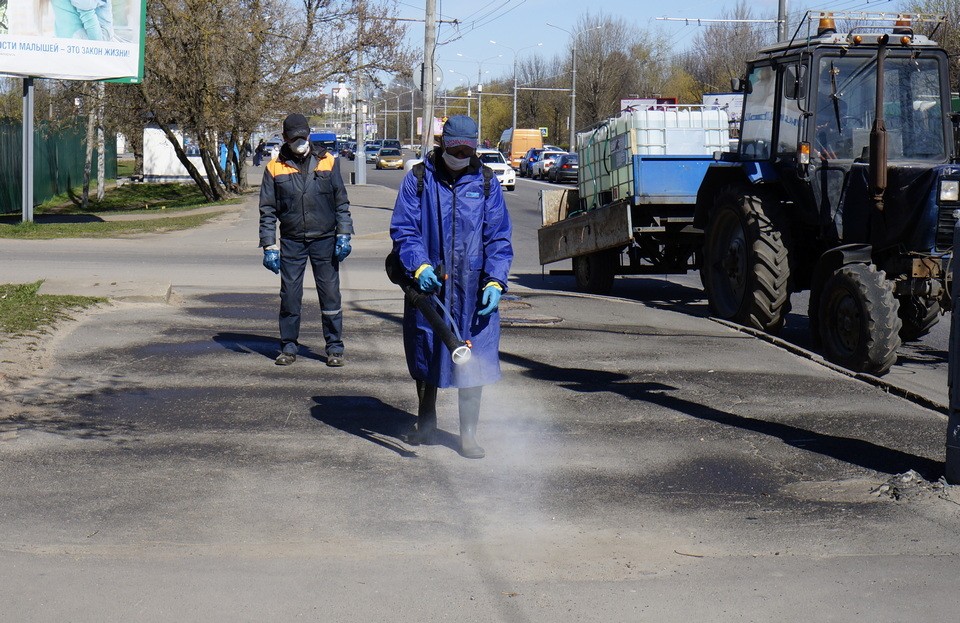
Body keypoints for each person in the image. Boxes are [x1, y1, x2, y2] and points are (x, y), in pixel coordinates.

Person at [389, 115, 513, 459]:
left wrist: (495, 282)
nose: (461, 155)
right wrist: (419, 264)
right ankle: (426, 421)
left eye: (468, 149)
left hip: (473, 289)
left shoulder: (487, 182)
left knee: (474, 357)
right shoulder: (418, 179)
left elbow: (498, 238)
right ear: (442, 144)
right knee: (427, 350)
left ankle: (468, 434)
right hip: (430, 286)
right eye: (455, 148)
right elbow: (404, 228)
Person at [259, 113, 354, 367]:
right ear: (285, 138)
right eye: (294, 138)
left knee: (330, 295)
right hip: (292, 241)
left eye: (303, 137)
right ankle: (288, 347)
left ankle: (334, 348)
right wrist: (269, 245)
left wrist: (344, 232)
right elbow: (267, 210)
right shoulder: (274, 167)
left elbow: (341, 202)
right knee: (290, 295)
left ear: (309, 135)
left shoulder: (328, 161)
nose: (300, 142)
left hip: (325, 239)